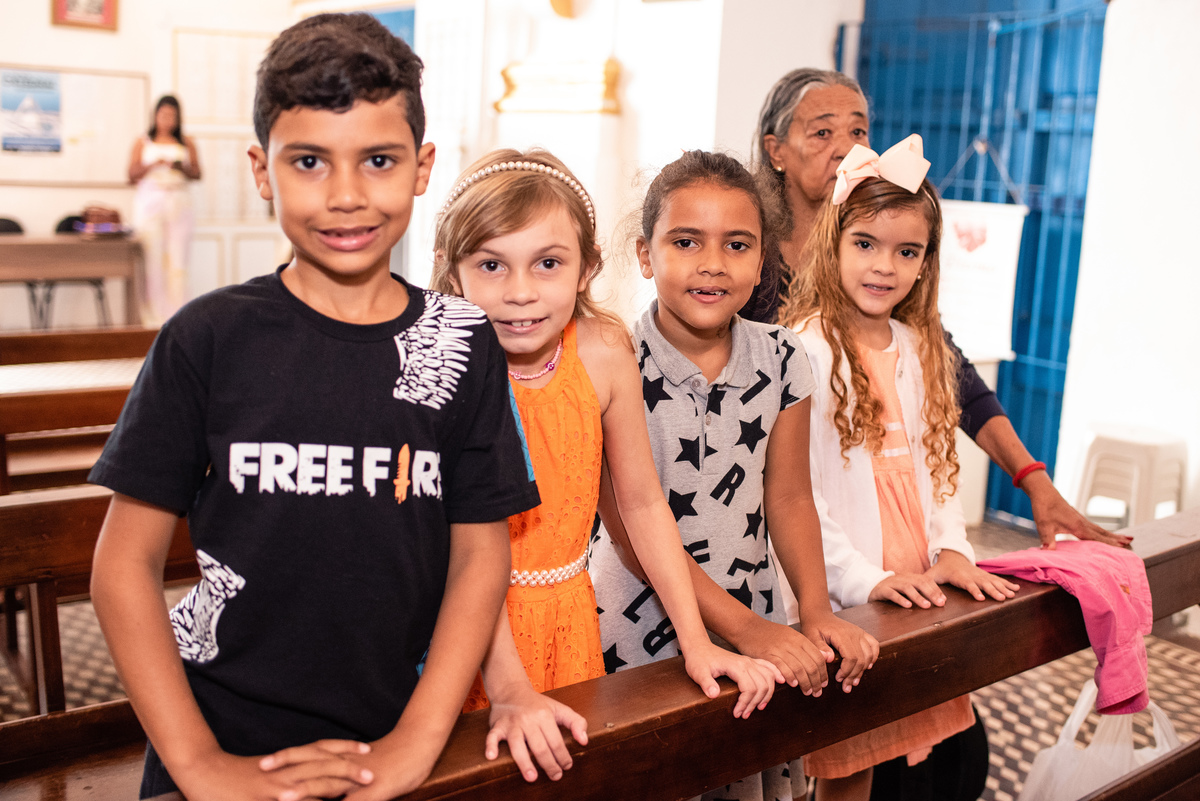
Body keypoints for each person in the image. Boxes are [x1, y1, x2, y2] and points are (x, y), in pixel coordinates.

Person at [90, 14, 541, 801]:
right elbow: (122, 566)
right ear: (263, 170)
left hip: (396, 732)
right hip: (219, 735)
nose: (345, 196)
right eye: (308, 161)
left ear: (422, 166)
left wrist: (416, 740)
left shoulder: (461, 340)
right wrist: (199, 764)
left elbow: (479, 553)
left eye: (377, 160)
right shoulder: (208, 337)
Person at [431, 148, 780, 784]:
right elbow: (448, 548)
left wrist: (696, 641)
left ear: (587, 267)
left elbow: (643, 504)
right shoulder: (445, 367)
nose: (520, 292)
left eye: (548, 263)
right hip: (465, 628)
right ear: (454, 274)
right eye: (490, 265)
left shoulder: (602, 351)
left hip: (570, 622)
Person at [587, 150, 879, 801]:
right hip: (639, 625)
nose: (712, 262)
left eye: (737, 244)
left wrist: (814, 611)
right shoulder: (615, 359)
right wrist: (747, 631)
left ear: (763, 258)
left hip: (753, 601)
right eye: (686, 241)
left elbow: (791, 499)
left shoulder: (782, 356)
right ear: (644, 253)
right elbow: (631, 530)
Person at [749, 67, 1130, 552]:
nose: (844, 147)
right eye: (822, 131)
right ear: (775, 149)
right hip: (776, 525)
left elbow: (957, 385)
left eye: (858, 130)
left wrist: (1036, 483)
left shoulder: (886, 279)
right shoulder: (751, 262)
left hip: (880, 534)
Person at [778, 137, 1021, 801]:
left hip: (915, 574)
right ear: (833, 242)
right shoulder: (805, 348)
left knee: (919, 743)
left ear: (926, 261)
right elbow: (800, 498)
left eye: (906, 251)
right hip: (848, 582)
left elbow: (939, 466)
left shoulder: (919, 346)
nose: (884, 266)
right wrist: (865, 577)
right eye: (866, 244)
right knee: (851, 764)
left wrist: (952, 548)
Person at [128, 94, 201, 325]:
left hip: (178, 203)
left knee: (178, 261)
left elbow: (198, 173)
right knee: (152, 260)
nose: (168, 120)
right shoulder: (143, 142)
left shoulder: (186, 142)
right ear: (155, 116)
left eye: (173, 116)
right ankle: (151, 318)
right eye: (163, 115)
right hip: (151, 204)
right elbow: (131, 174)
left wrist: (180, 166)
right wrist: (153, 164)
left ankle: (177, 316)